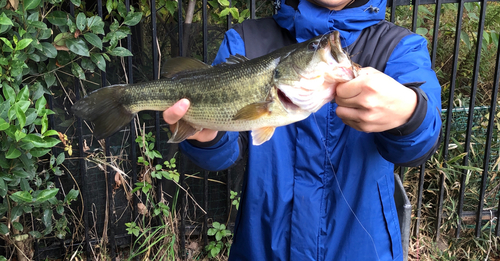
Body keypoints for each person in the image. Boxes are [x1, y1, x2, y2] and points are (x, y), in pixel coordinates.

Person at [163, 0, 442, 260]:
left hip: (362, 248)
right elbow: (223, 154)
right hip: (261, 245)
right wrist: (206, 136)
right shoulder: (243, 40)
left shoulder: (401, 48)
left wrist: (411, 112)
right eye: (313, 49)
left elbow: (419, 145)